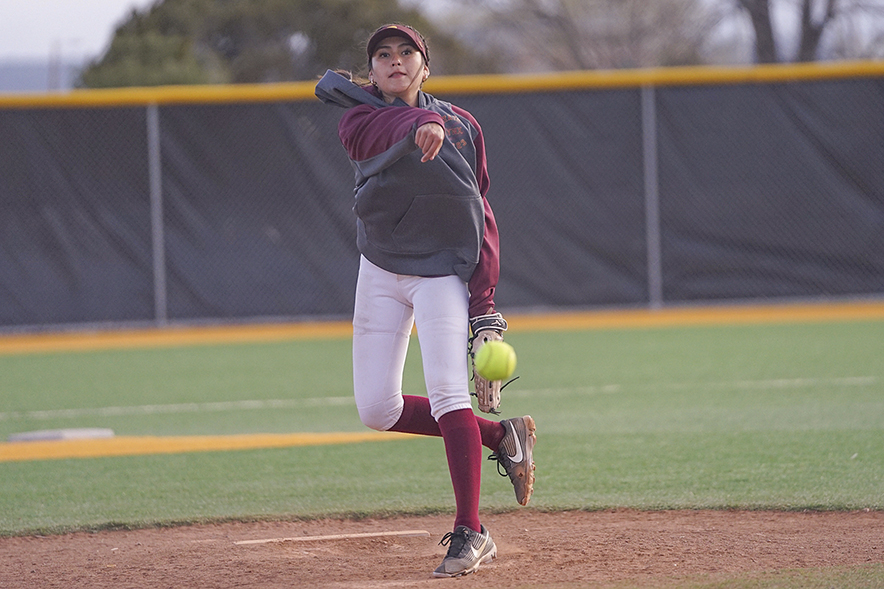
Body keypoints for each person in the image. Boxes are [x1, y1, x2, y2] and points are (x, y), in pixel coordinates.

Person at [315, 23, 536, 578]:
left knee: (446, 394)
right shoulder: (357, 119)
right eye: (383, 55)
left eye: (406, 53)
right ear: (371, 73)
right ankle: (498, 436)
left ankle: (472, 531)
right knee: (377, 410)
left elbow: (479, 213)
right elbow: (385, 133)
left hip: (441, 273)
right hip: (382, 269)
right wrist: (423, 119)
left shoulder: (463, 128)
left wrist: (485, 310)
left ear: (425, 67)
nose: (395, 61)